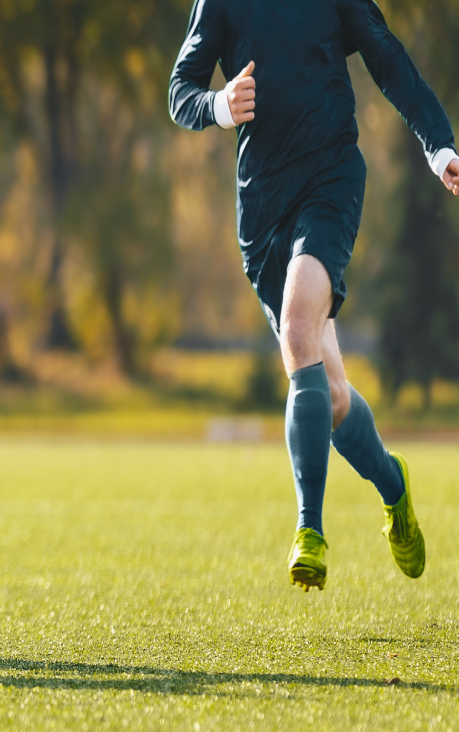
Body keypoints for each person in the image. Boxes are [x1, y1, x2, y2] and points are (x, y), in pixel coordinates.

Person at [169, 0, 459, 590]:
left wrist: (439, 144)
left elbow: (387, 56)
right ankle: (393, 486)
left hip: (331, 179)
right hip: (262, 210)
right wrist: (219, 107)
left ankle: (310, 531)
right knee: (329, 394)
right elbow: (181, 91)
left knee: (301, 330)